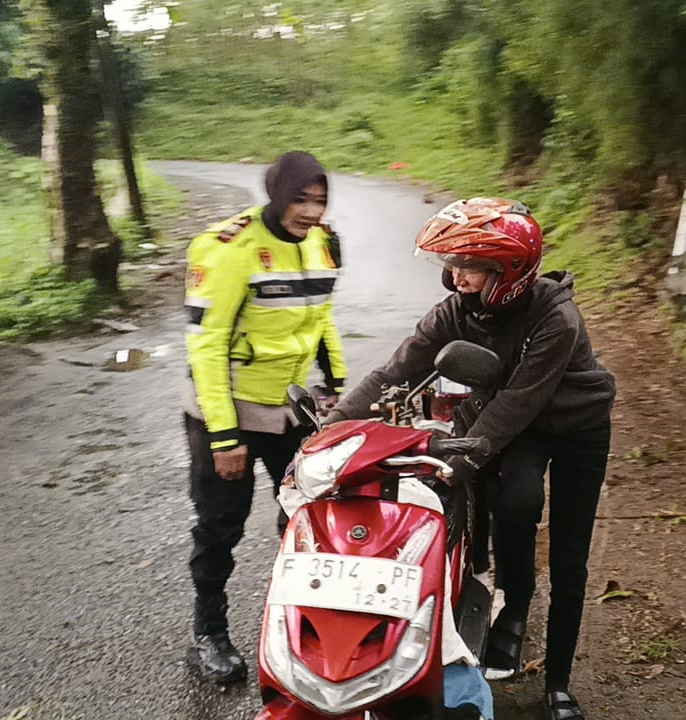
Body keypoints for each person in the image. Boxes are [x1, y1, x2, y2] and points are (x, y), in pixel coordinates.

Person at [326, 197, 616, 720]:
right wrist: (333, 429)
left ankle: (559, 684)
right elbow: (397, 371)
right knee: (515, 506)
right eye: (453, 264)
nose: (456, 276)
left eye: (470, 266)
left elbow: (515, 404)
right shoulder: (457, 311)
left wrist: (454, 463)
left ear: (508, 271)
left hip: (576, 427)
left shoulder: (557, 318)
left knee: (572, 555)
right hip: (521, 424)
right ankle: (511, 615)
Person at [182, 150, 347, 684]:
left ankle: (303, 621)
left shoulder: (322, 242)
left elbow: (322, 321)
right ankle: (209, 633)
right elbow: (206, 347)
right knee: (221, 524)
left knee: (308, 516)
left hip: (293, 409)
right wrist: (224, 437)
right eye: (301, 199)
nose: (311, 211)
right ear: (277, 196)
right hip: (227, 411)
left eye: (319, 200)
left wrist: (340, 391)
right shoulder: (229, 248)